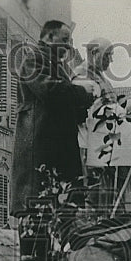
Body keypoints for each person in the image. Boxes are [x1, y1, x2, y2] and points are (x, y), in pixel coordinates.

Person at [10, 20, 98, 217]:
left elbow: (62, 102)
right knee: (37, 219)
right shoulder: (33, 60)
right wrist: (82, 91)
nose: (68, 46)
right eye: (65, 40)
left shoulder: (55, 65)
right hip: (40, 153)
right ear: (49, 37)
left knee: (55, 218)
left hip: (54, 153)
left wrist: (85, 107)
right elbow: (50, 91)